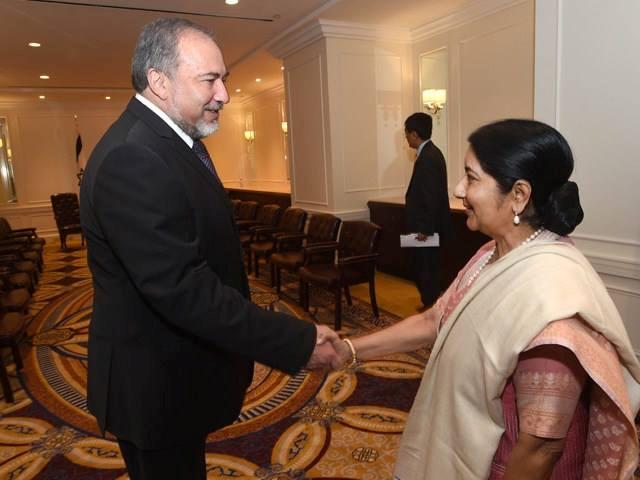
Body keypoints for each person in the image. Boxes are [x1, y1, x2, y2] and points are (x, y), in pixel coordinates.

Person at [79, 18, 340, 480]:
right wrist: (295, 340)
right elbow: (182, 288)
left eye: (224, 79)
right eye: (210, 80)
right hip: (154, 385)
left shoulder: (168, 142)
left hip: (175, 373)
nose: (223, 94)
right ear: (159, 82)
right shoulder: (133, 156)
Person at [329, 119, 640, 479]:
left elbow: (540, 447)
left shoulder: (552, 298)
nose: (460, 189)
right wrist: (349, 350)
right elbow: (434, 320)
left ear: (519, 195)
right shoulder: (490, 254)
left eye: (472, 177)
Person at [403, 112, 451, 309]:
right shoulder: (430, 153)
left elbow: (431, 198)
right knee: (423, 266)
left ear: (414, 134)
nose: (405, 137)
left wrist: (424, 229)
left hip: (426, 229)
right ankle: (429, 302)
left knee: (426, 267)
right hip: (426, 226)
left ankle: (430, 307)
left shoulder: (429, 157)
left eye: (406, 133)